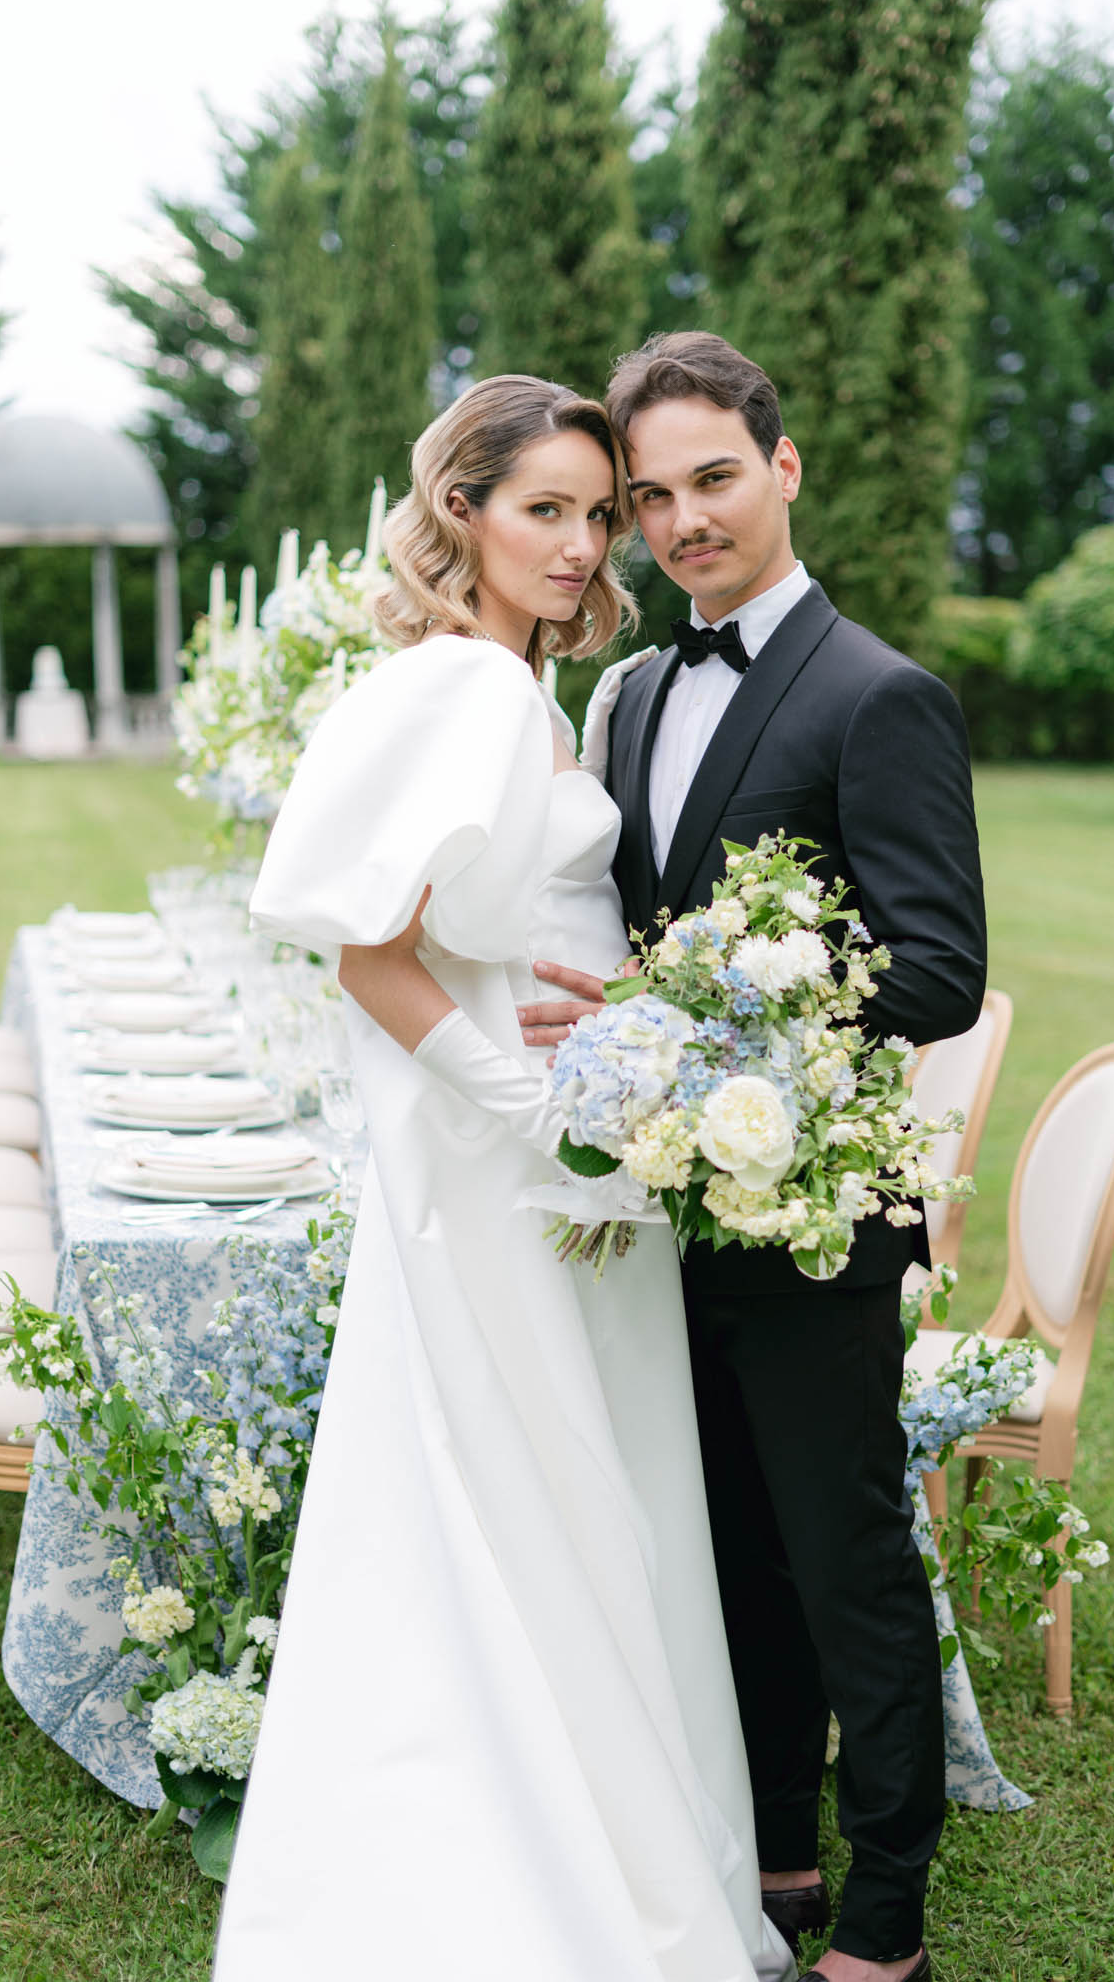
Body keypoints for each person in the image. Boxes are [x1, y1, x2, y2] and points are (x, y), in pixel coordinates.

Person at [214, 375, 792, 1982]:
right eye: (546, 507)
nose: (583, 542)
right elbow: (368, 954)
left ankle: (605, 1822)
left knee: (576, 1492)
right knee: (519, 1488)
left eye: (597, 514)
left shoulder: (537, 695)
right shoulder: (460, 691)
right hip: (498, 1164)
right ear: (458, 509)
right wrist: (538, 1111)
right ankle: (509, 1857)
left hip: (571, 1155)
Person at [518, 332, 988, 1982]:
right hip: (665, 1211)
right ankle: (776, 1848)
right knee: (725, 1554)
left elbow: (933, 966)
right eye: (649, 495)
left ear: (781, 469)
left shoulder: (880, 694)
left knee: (847, 1560)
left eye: (711, 478)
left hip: (813, 1224)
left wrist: (712, 997)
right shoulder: (630, 690)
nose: (679, 520)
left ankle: (887, 1913)